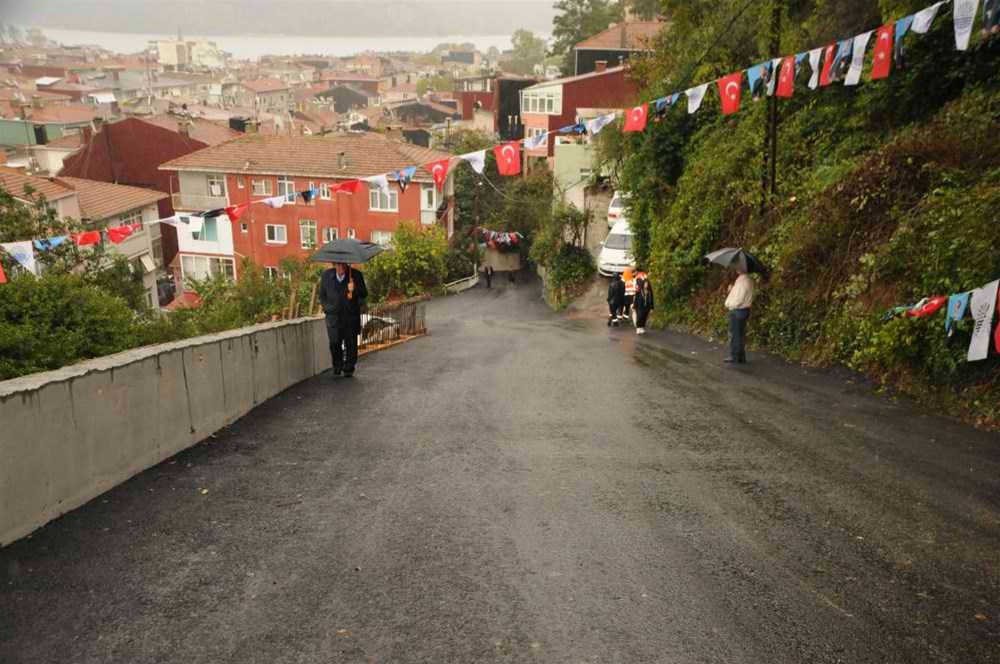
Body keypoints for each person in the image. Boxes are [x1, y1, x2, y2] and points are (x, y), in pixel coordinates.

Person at [319, 262, 368, 378]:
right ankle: (337, 365)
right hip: (333, 317)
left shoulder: (355, 275)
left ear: (346, 264)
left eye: (342, 264)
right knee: (334, 342)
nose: (340, 267)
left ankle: (349, 368)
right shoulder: (327, 276)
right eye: (337, 264)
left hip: (350, 316)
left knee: (350, 342)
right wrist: (327, 309)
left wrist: (354, 288)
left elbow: (364, 293)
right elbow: (322, 295)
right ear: (333, 264)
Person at [724, 268, 754, 364]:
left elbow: (738, 300)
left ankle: (735, 356)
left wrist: (728, 304)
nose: (736, 269)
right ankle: (741, 356)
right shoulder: (747, 280)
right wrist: (731, 289)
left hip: (738, 310)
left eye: (737, 267)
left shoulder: (742, 282)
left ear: (740, 269)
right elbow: (739, 295)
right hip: (744, 310)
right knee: (740, 333)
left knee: (735, 333)